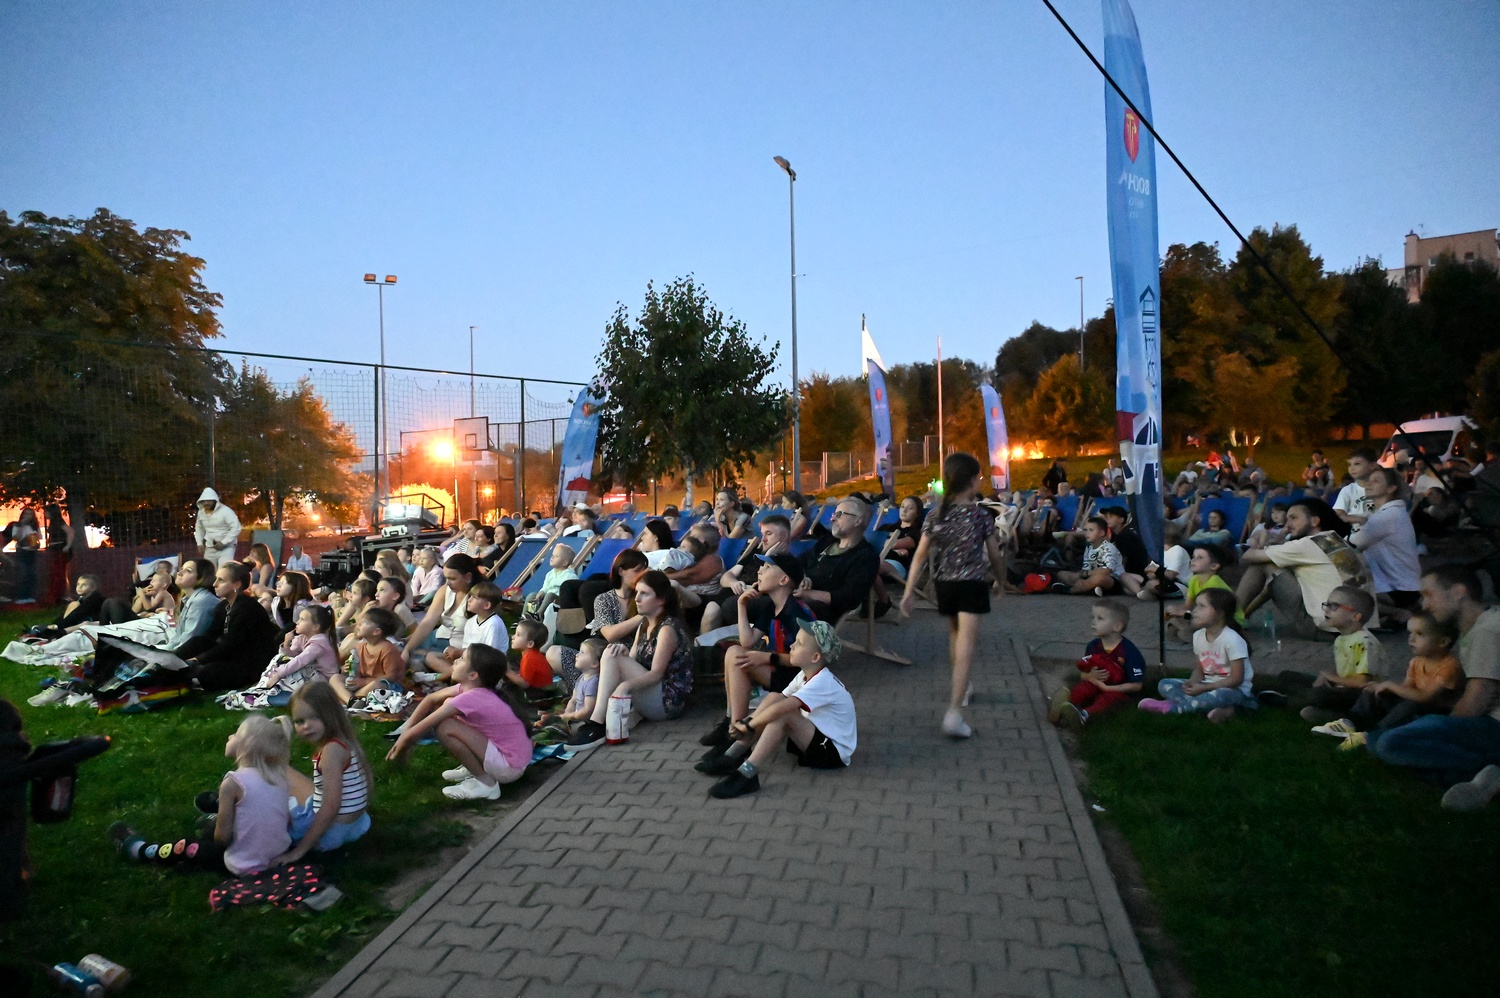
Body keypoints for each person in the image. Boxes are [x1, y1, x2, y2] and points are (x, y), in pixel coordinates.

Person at [1364, 566, 1500, 811]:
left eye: (1429, 595)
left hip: (1494, 727)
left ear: (1458, 592)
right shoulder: (1478, 627)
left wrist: (1440, 726)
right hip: (1487, 723)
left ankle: (1486, 771)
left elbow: (1475, 702)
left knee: (1390, 743)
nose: (1424, 605)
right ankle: (1478, 777)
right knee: (1378, 740)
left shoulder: (1487, 631)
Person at [900, 453, 1008, 739]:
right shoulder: (981, 515)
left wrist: (908, 591)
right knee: (967, 646)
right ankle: (954, 712)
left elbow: (920, 555)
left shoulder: (936, 514)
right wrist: (1001, 581)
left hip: (944, 584)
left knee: (955, 636)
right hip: (972, 584)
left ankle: (963, 688)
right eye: (979, 478)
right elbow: (995, 554)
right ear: (971, 481)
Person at [110, 714, 292, 875]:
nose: (230, 736)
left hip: (246, 865)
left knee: (188, 847)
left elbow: (222, 839)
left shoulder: (233, 783)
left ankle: (139, 850)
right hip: (277, 858)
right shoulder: (281, 779)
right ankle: (212, 821)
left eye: (236, 734)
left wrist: (218, 829)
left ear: (246, 746)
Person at [702, 618, 856, 799]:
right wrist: (746, 722)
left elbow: (783, 708)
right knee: (775, 697)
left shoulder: (823, 682)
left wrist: (749, 725)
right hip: (815, 739)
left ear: (815, 657)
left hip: (832, 753)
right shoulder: (804, 674)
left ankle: (747, 774)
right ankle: (732, 755)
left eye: (799, 644)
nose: (791, 646)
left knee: (783, 714)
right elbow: (777, 699)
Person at [697, 553, 815, 754]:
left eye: (767, 568)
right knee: (734, 652)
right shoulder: (772, 607)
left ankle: (735, 732)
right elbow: (747, 641)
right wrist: (741, 605)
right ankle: (732, 725)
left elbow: (808, 660)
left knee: (737, 656)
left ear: (783, 580)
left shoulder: (795, 613)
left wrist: (765, 657)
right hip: (780, 673)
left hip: (798, 682)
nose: (759, 571)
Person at [566, 569, 693, 748]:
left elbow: (657, 674)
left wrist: (625, 686)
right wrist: (624, 651)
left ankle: (596, 723)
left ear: (660, 600)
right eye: (637, 592)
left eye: (644, 594)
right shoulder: (644, 624)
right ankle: (595, 720)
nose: (637, 599)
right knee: (612, 652)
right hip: (651, 694)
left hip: (667, 702)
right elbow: (632, 660)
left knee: (612, 656)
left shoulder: (667, 629)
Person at [387, 643, 531, 801]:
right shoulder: (473, 689)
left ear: (473, 675)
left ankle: (487, 784)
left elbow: (428, 723)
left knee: (445, 726)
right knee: (447, 705)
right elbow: (431, 699)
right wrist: (405, 732)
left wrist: (404, 741)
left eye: (462, 659)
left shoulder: (471, 697)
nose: (455, 660)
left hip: (509, 767)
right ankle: (475, 767)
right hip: (514, 761)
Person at [1237, 498, 1376, 641]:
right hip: (1357, 627)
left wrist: (1268, 537)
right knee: (1276, 568)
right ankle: (1241, 616)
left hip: (1325, 629)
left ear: (1314, 521)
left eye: (1294, 518)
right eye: (1287, 519)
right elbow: (1273, 582)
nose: (1287, 524)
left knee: (1264, 564)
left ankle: (1229, 618)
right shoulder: (1338, 541)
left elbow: (1247, 556)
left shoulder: (1308, 544)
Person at [1324, 611, 1463, 749]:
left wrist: (1390, 685)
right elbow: (1406, 688)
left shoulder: (1449, 666)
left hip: (1434, 714)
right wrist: (1383, 690)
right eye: (1410, 633)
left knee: (1409, 705)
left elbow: (1425, 697)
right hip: (1414, 705)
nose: (1411, 639)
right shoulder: (1417, 661)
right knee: (1372, 692)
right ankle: (1349, 722)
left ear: (1443, 642)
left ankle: (1371, 735)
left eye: (1420, 634)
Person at [274, 683, 371, 863]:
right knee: (287, 775)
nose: (306, 726)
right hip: (358, 824)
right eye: (299, 721)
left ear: (331, 714)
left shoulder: (331, 752)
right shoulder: (344, 741)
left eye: (315, 717)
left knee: (278, 772)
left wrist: (299, 851)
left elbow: (331, 806)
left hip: (330, 833)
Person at [1261, 586, 1384, 723]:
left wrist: (1329, 677)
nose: (1326, 609)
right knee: (1288, 676)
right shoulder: (1341, 639)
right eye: (1327, 604)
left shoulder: (1364, 642)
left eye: (1334, 606)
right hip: (1342, 688)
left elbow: (1362, 683)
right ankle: (1311, 705)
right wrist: (1328, 678)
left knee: (1319, 694)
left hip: (1363, 697)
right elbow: (1344, 671)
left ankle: (1291, 702)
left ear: (1355, 616)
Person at [1138, 588, 1256, 722]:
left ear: (1219, 613)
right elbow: (1199, 670)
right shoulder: (1198, 636)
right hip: (1207, 686)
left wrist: (1204, 688)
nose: (1194, 611)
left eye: (1201, 606)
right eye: (1196, 605)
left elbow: (1236, 679)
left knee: (1218, 695)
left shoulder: (1232, 639)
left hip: (1234, 691)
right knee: (1164, 684)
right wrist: (1191, 683)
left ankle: (1172, 709)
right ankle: (1215, 708)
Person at [546, 548, 649, 686]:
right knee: (553, 652)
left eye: (645, 570)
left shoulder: (644, 597)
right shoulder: (604, 599)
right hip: (601, 656)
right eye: (637, 570)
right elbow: (610, 634)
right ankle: (585, 688)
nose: (643, 575)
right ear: (621, 571)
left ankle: (588, 689)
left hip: (630, 658)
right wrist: (643, 615)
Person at [178, 562, 283, 692]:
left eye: (221, 580)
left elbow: (230, 644)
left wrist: (197, 659)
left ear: (236, 585)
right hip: (233, 655)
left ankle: (184, 672)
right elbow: (209, 637)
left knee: (207, 672)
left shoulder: (248, 608)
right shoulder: (223, 606)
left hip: (252, 663)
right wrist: (186, 656)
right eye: (216, 579)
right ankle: (168, 663)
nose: (214, 584)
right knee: (197, 641)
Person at [1048, 601, 1144, 729]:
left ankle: (1084, 716)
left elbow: (1137, 685)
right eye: (1092, 617)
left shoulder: (1129, 652)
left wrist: (1108, 688)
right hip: (1097, 682)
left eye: (1100, 618)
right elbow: (1083, 673)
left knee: (1107, 700)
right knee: (1084, 688)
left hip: (1119, 690)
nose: (1093, 622)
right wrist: (1089, 675)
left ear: (1117, 626)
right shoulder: (1093, 646)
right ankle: (1064, 706)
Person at [1349, 465, 1421, 625]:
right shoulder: (1387, 513)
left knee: (1340, 596)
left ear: (1391, 488)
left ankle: (1398, 613)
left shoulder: (1388, 515)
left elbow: (1352, 545)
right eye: (1368, 480)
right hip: (1400, 586)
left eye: (1375, 481)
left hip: (1399, 589)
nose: (1368, 484)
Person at [699, 513, 793, 633]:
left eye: (769, 534)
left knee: (728, 605)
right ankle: (703, 645)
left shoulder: (787, 561)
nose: (763, 539)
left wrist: (769, 556)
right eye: (762, 534)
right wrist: (733, 583)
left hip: (754, 597)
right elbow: (726, 576)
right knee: (710, 608)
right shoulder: (756, 552)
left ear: (784, 536)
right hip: (736, 592)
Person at [797, 498, 880, 622]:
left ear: (858, 521)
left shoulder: (866, 557)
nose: (832, 519)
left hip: (822, 608)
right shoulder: (826, 542)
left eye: (839, 514)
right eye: (834, 514)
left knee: (784, 608)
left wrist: (809, 594)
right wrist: (802, 577)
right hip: (799, 595)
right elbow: (799, 562)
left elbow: (849, 598)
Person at [404, 553, 479, 676]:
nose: (448, 583)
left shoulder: (480, 598)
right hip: (436, 637)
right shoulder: (445, 589)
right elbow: (428, 621)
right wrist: (407, 649)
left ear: (468, 577)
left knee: (417, 662)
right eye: (446, 578)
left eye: (452, 579)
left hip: (457, 647)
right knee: (403, 654)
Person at [330, 606, 404, 705]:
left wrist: (364, 682)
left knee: (377, 685)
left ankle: (353, 699)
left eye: (365, 622)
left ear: (376, 631)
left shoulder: (387, 649)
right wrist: (346, 669)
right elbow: (356, 671)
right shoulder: (359, 647)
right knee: (335, 678)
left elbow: (391, 676)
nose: (359, 624)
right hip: (362, 684)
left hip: (385, 686)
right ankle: (351, 701)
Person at [257, 604, 340, 692]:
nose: (297, 622)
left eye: (302, 619)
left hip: (325, 681)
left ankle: (278, 688)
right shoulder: (302, 638)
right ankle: (265, 683)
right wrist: (286, 644)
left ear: (315, 627)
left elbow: (300, 660)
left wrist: (279, 674)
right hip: (314, 676)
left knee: (295, 667)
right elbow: (287, 656)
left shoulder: (319, 643)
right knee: (282, 660)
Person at [1165, 544, 1239, 642]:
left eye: (1200, 557)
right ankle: (1192, 632)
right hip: (1210, 616)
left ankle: (1198, 636)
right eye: (1193, 556)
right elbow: (1188, 605)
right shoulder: (1194, 579)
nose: (1193, 560)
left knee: (1185, 628)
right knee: (1174, 622)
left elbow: (1213, 614)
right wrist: (1175, 610)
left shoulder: (1214, 584)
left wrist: (1183, 614)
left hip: (1230, 621)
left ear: (1214, 566)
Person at [1051, 517, 1123, 596]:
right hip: (1090, 576)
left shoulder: (1109, 548)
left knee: (1099, 578)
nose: (1087, 533)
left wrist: (1082, 575)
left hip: (1111, 580)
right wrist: (1079, 577)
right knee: (1062, 574)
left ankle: (1070, 590)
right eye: (1086, 530)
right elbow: (1086, 568)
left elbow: (1106, 571)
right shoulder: (1089, 548)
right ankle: (1089, 588)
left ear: (1102, 533)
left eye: (1091, 530)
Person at [547, 637, 602, 733]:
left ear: (594, 663)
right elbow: (573, 700)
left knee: (555, 729)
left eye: (582, 653)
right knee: (552, 720)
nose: (577, 654)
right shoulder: (582, 677)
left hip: (585, 722)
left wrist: (570, 716)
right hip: (576, 717)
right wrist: (567, 713)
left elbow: (588, 711)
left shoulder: (593, 683)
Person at [1098, 506, 1151, 596]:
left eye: (1111, 516)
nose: (1107, 519)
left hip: (1135, 574)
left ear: (1121, 520)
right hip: (1136, 573)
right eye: (1106, 516)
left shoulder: (1124, 536)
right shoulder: (1119, 534)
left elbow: (1123, 560)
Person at [1332, 447, 1379, 537]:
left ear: (1372, 465)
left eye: (1357, 464)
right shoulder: (1348, 490)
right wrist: (1359, 519)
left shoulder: (1381, 488)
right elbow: (1337, 514)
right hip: (1357, 535)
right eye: (1349, 464)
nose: (1352, 468)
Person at [194, 488, 242, 568]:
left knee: (224, 569)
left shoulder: (226, 511)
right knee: (209, 570)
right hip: (210, 547)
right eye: (204, 501)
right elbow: (199, 528)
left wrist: (224, 542)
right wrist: (200, 543)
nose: (206, 503)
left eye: (209, 500)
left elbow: (236, 527)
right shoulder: (201, 513)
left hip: (227, 547)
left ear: (215, 500)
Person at [42, 502, 75, 606]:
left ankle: (57, 597)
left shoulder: (58, 522)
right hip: (56, 549)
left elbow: (70, 531)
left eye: (46, 512)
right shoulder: (54, 522)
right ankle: (57, 596)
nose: (45, 514)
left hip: (59, 549)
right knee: (57, 573)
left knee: (58, 573)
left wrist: (68, 545)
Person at [508, 619, 553, 690]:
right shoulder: (533, 655)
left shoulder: (529, 658)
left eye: (518, 635)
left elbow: (525, 684)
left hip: (539, 692)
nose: (513, 637)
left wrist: (507, 671)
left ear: (530, 644)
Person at [8, 507, 41, 604]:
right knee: (23, 573)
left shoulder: (34, 526)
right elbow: (16, 538)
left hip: (32, 551)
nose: (27, 516)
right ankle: (21, 596)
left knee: (32, 573)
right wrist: (22, 526)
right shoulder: (17, 525)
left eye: (30, 514)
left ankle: (30, 595)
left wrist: (35, 541)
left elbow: (38, 537)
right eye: (26, 514)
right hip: (22, 551)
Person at [266, 571, 314, 635]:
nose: (278, 585)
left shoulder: (304, 607)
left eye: (283, 583)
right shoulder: (276, 603)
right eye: (279, 582)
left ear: (296, 586)